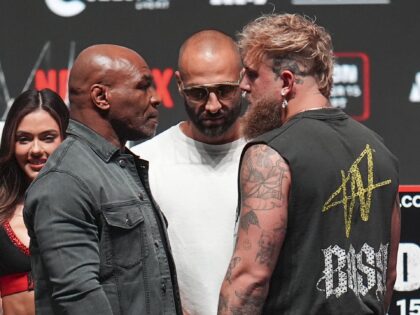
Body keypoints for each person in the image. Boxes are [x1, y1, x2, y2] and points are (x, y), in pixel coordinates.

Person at [218, 13, 400, 315]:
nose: (243, 86)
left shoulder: (270, 154)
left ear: (287, 82)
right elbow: (388, 275)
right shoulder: (381, 151)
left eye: (252, 74)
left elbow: (249, 279)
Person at [23, 44, 182, 315]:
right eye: (143, 86)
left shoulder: (118, 168)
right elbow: (78, 297)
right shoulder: (64, 181)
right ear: (101, 97)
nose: (155, 98)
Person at [132, 30, 246, 315]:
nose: (213, 105)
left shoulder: (275, 154)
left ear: (243, 80)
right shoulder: (145, 161)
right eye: (198, 93)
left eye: (224, 90)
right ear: (179, 85)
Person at [0, 88, 69, 315]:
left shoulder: (92, 205)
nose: (36, 150)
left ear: (66, 139)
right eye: (24, 139)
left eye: (48, 138)